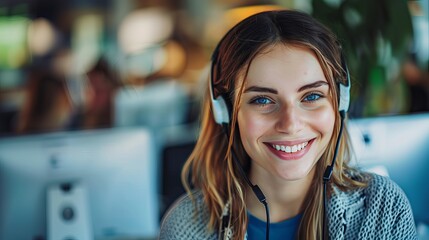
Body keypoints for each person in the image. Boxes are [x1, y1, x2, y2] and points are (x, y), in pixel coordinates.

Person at [159, 10, 417, 239]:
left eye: (312, 96)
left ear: (340, 103)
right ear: (226, 112)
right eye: (262, 100)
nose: (290, 124)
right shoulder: (187, 228)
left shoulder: (383, 207)